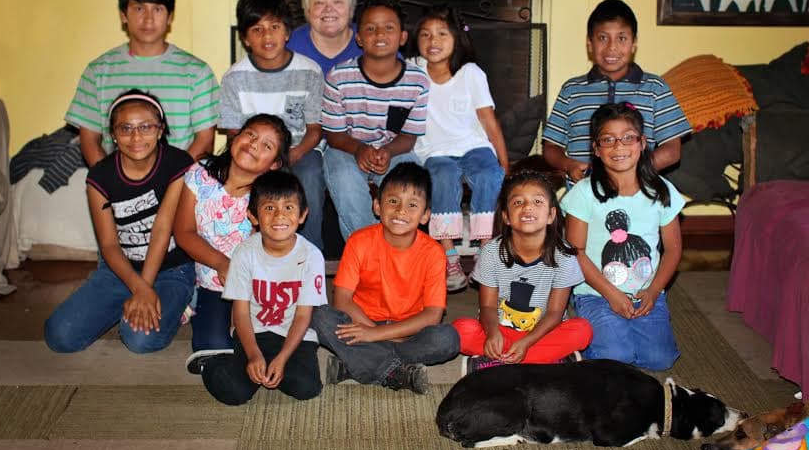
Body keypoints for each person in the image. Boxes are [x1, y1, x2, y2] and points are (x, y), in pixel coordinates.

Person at [45, 90, 195, 354]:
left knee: (139, 340)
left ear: (160, 130)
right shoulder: (100, 177)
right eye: (125, 128)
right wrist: (138, 288)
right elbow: (109, 244)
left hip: (171, 269)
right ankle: (127, 301)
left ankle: (183, 301)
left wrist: (144, 287)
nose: (136, 137)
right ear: (113, 135)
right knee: (60, 336)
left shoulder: (178, 163)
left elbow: (162, 229)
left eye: (146, 127)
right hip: (119, 268)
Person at [310, 163, 460, 394]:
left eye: (412, 205)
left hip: (409, 330)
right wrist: (371, 330)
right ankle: (393, 371)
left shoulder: (433, 253)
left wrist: (374, 337)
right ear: (377, 206)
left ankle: (355, 364)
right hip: (362, 321)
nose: (401, 211)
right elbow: (342, 300)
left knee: (447, 339)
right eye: (393, 202)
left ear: (425, 215)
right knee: (319, 315)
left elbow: (433, 315)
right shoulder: (359, 241)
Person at [561, 102, 685, 370]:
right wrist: (612, 295)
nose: (619, 147)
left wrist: (653, 291)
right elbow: (575, 252)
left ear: (642, 143)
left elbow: (673, 250)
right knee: (616, 356)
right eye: (608, 140)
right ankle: (581, 342)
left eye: (628, 137)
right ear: (596, 148)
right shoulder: (583, 193)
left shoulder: (661, 191)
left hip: (645, 292)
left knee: (660, 360)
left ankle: (616, 342)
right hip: (595, 291)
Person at [173, 113, 292, 371]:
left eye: (267, 146)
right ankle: (195, 306)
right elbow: (183, 232)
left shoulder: (270, 199)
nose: (254, 145)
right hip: (210, 281)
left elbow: (271, 250)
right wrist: (222, 263)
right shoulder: (200, 174)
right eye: (250, 134)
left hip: (253, 284)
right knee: (213, 347)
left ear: (274, 164)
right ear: (236, 136)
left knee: (267, 341)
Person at [65, 0, 219, 167]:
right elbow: (89, 140)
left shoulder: (197, 72)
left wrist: (173, 183)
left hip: (180, 186)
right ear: (123, 15)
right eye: (139, 8)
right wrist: (112, 184)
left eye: (157, 9)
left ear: (170, 16)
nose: (148, 19)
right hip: (118, 189)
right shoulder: (98, 72)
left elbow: (204, 141)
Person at [200, 170, 327, 405]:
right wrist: (253, 354)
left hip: (294, 336)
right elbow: (239, 312)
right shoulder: (244, 253)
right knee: (233, 392)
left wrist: (282, 358)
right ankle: (212, 362)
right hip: (253, 332)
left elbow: (302, 316)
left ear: (303, 215)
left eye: (289, 207)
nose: (279, 215)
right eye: (269, 208)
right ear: (253, 216)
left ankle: (272, 365)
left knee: (306, 387)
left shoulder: (312, 256)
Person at [451, 170, 593, 374]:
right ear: (506, 217)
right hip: (500, 332)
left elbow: (554, 314)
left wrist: (527, 342)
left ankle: (497, 363)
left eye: (537, 202)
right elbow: (488, 306)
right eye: (518, 202)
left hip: (543, 332)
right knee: (460, 330)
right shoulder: (491, 251)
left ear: (551, 215)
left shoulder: (565, 256)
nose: (527, 207)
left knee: (582, 330)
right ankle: (543, 360)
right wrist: (492, 334)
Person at [410, 5, 509, 293]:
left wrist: (505, 165)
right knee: (442, 177)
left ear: (456, 39)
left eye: (442, 34)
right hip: (434, 150)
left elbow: (489, 122)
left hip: (473, 145)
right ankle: (448, 255)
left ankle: (485, 251)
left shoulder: (470, 73)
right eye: (426, 35)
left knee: (490, 175)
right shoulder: (415, 69)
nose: (433, 41)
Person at [541, 0, 690, 185]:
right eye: (603, 38)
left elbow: (672, 150)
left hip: (639, 192)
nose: (612, 47)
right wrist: (568, 164)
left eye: (621, 38)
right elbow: (551, 147)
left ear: (634, 43)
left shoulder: (655, 88)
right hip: (585, 195)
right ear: (589, 43)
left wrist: (634, 174)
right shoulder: (572, 90)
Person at [219, 0, 325, 250]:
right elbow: (234, 134)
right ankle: (245, 252)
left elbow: (315, 129)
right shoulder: (234, 77)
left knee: (310, 174)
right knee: (228, 174)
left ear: (287, 32)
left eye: (275, 27)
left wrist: (292, 154)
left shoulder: (309, 71)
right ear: (245, 38)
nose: (267, 37)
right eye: (257, 29)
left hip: (300, 150)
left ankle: (309, 252)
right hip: (254, 153)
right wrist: (260, 161)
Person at [321, 0, 429, 240]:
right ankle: (368, 249)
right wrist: (359, 150)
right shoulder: (339, 77)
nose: (380, 34)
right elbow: (334, 134)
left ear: (402, 37)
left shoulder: (417, 80)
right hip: (347, 149)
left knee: (410, 181)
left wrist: (388, 152)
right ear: (359, 38)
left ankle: (400, 245)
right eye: (370, 29)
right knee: (343, 177)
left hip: (395, 151)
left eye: (388, 28)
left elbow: (409, 137)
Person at [287, 0, 362, 76]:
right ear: (308, 10)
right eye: (320, 3)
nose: (328, 9)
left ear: (351, 9)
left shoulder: (372, 42)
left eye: (337, 2)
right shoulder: (288, 46)